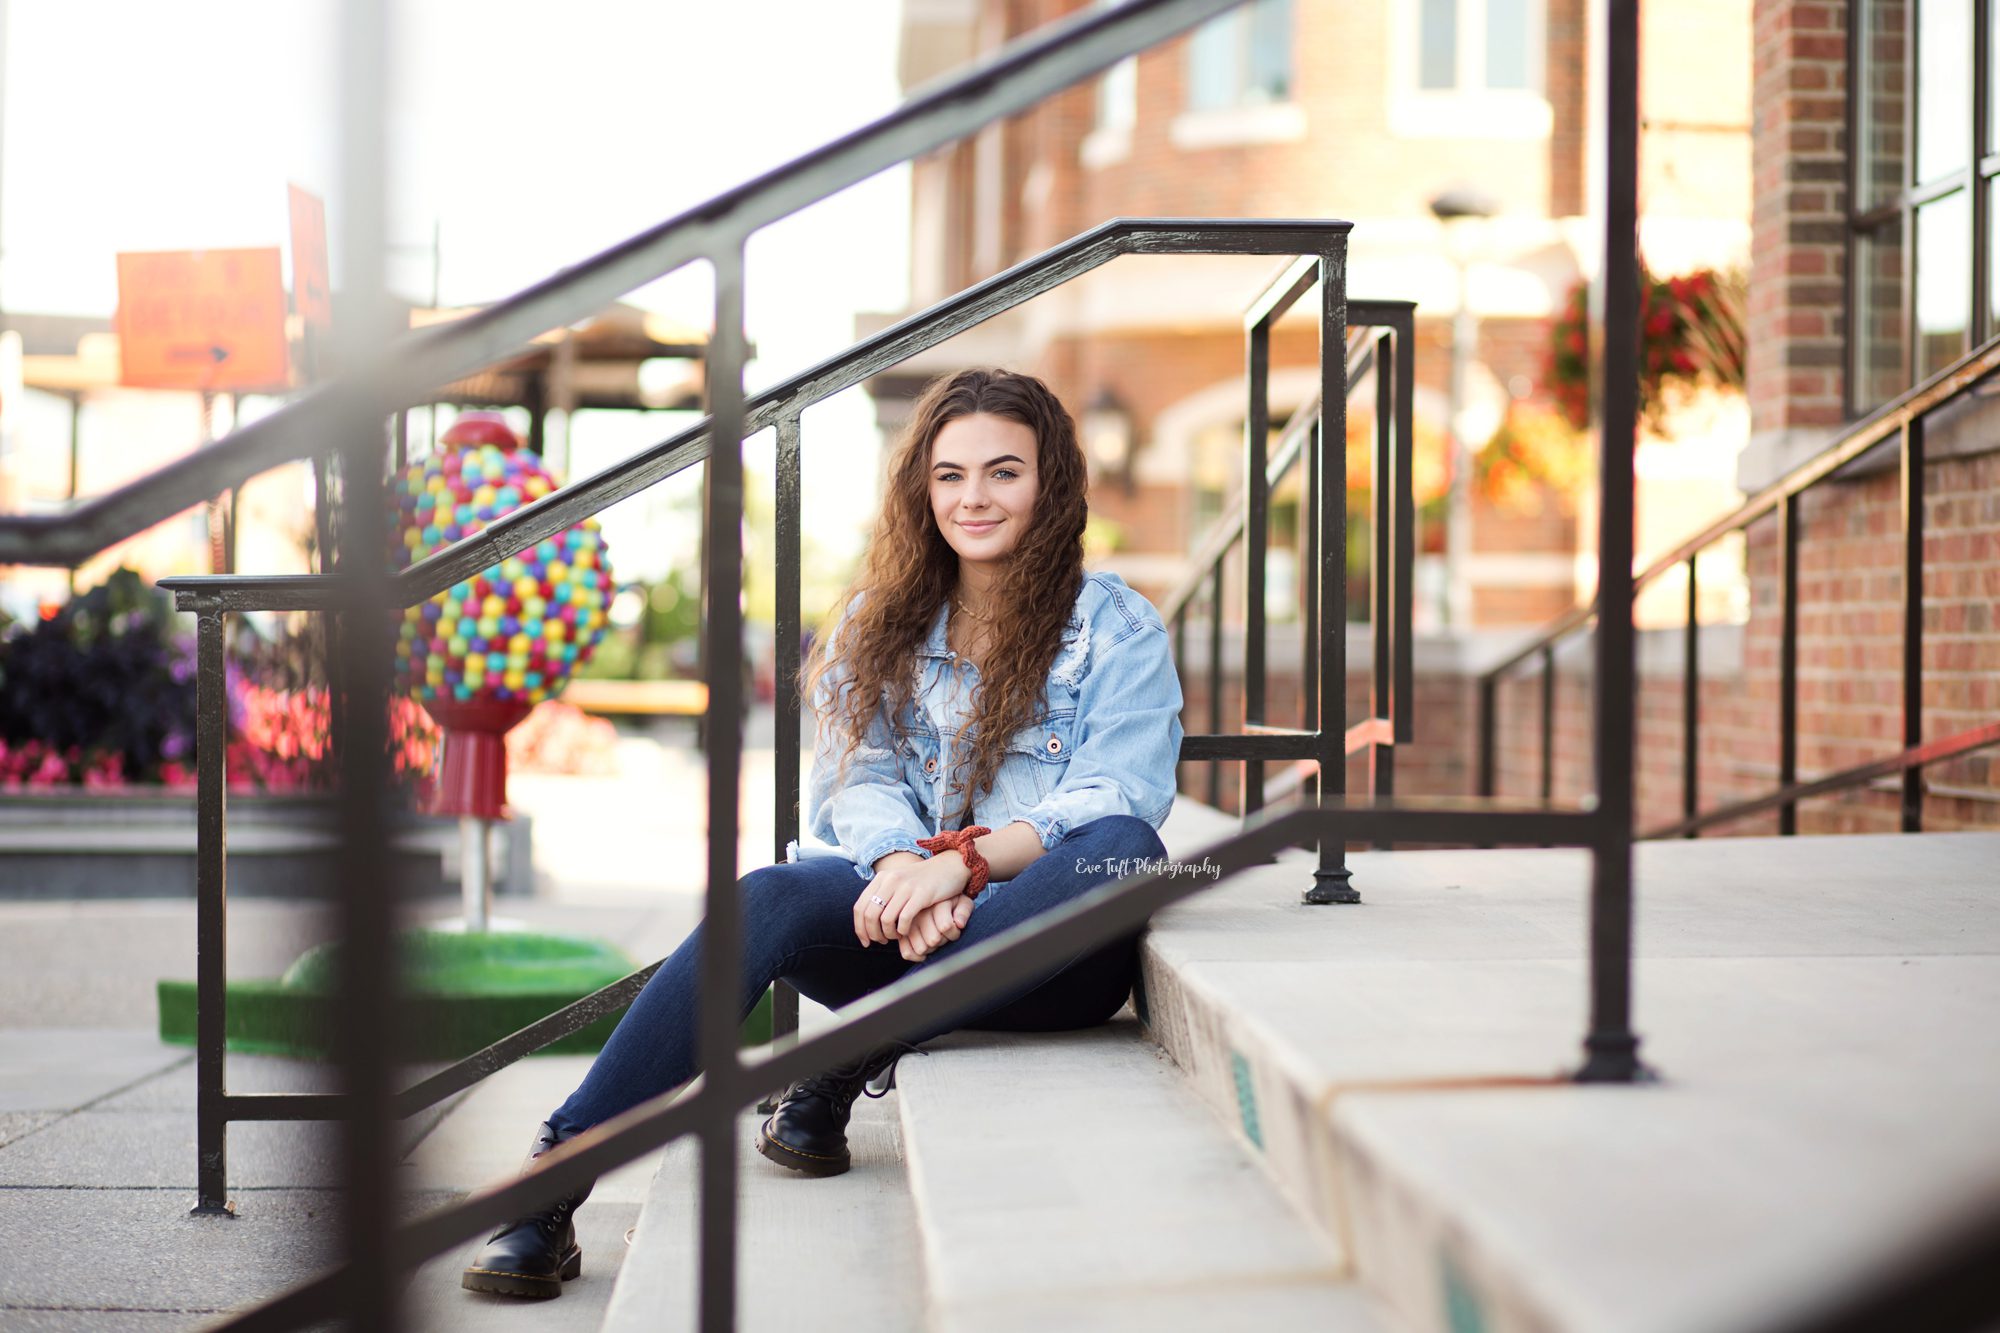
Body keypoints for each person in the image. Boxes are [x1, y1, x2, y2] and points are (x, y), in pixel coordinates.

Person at [461, 368, 1185, 1299]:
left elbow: (1116, 790)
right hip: (905, 924)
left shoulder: (1114, 625)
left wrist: (960, 865)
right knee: (770, 894)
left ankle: (857, 1045)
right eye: (950, 474)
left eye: (1004, 472)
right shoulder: (874, 623)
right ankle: (551, 1182)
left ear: (1051, 485)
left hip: (1051, 963)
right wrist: (901, 871)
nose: (975, 497)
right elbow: (857, 782)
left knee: (1126, 846)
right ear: (920, 489)